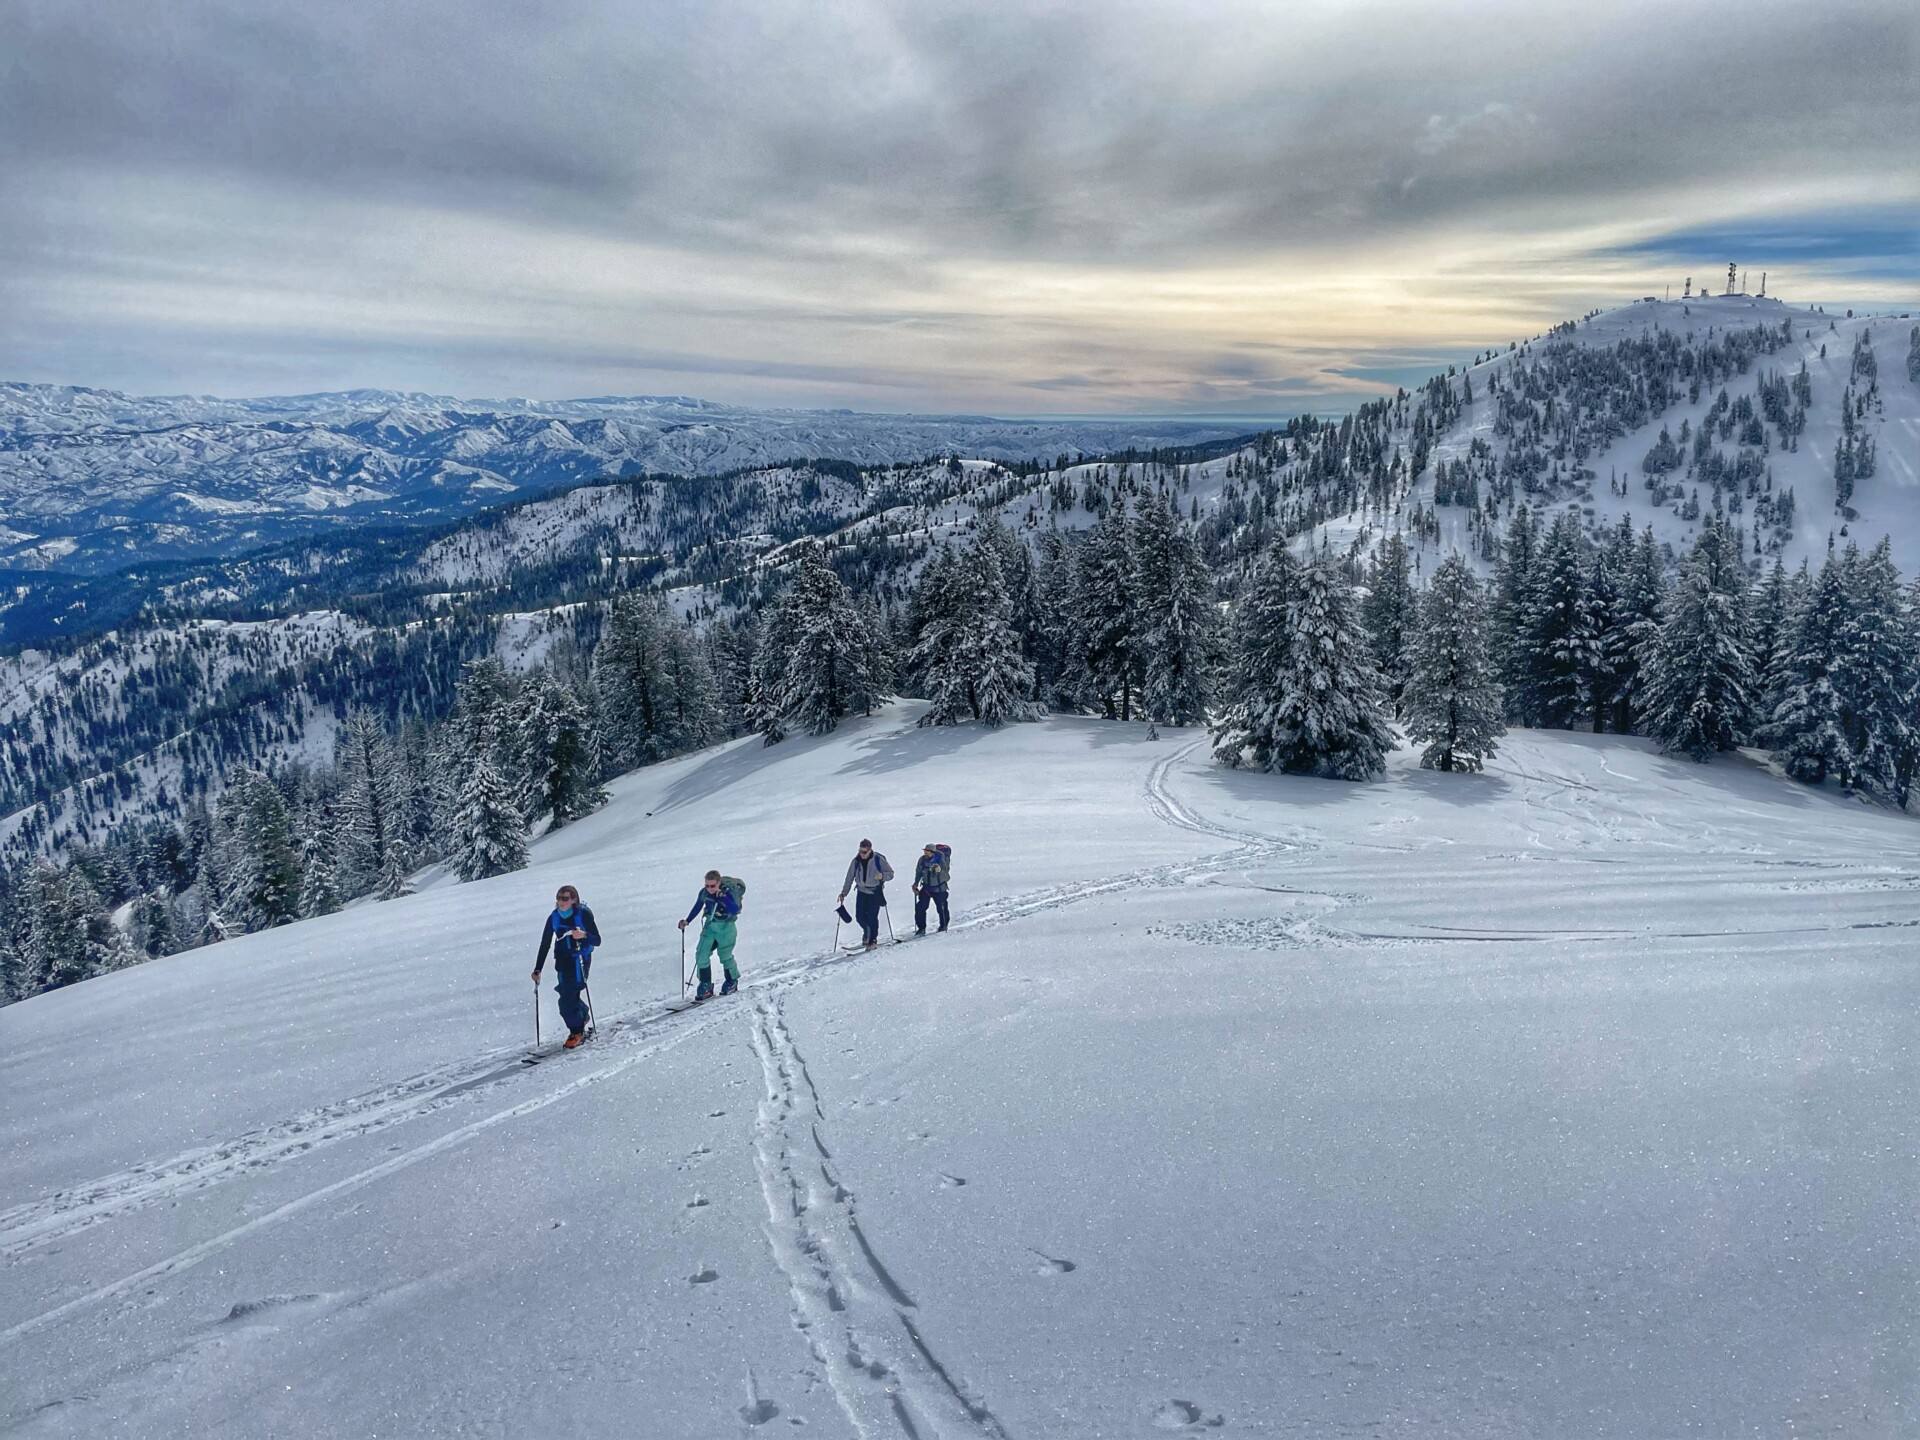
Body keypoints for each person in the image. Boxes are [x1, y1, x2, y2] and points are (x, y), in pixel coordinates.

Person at [532, 884, 601, 1048]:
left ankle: (577, 1031)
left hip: (579, 961)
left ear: (574, 900)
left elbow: (597, 940)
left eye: (565, 898)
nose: (561, 902)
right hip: (562, 962)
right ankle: (581, 1016)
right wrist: (538, 968)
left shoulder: (583, 914)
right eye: (559, 898)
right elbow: (545, 943)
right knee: (566, 994)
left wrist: (584, 935)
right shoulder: (554, 917)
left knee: (567, 999)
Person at [679, 870, 741, 999]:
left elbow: (734, 909)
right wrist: (687, 921)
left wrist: (723, 897)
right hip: (710, 926)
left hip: (726, 927)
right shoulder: (704, 893)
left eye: (713, 885)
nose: (710, 888)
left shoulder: (726, 893)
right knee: (701, 954)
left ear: (719, 883)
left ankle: (731, 981)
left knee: (725, 956)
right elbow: (698, 906)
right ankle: (705, 985)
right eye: (707, 885)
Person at [838, 839, 893, 949]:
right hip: (861, 892)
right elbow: (849, 877)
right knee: (860, 917)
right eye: (860, 851)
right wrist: (844, 892)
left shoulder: (878, 859)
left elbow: (891, 874)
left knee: (872, 917)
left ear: (870, 850)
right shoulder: (856, 861)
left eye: (864, 852)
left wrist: (882, 876)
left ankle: (873, 939)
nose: (862, 854)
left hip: (875, 892)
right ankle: (867, 931)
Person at [913, 842, 951, 935]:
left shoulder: (941, 859)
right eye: (925, 851)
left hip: (940, 888)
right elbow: (918, 872)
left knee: (941, 908)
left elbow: (945, 871)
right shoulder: (922, 860)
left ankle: (943, 925)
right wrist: (916, 884)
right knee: (920, 908)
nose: (925, 853)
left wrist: (940, 870)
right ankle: (921, 928)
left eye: (927, 851)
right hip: (927, 887)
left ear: (932, 852)